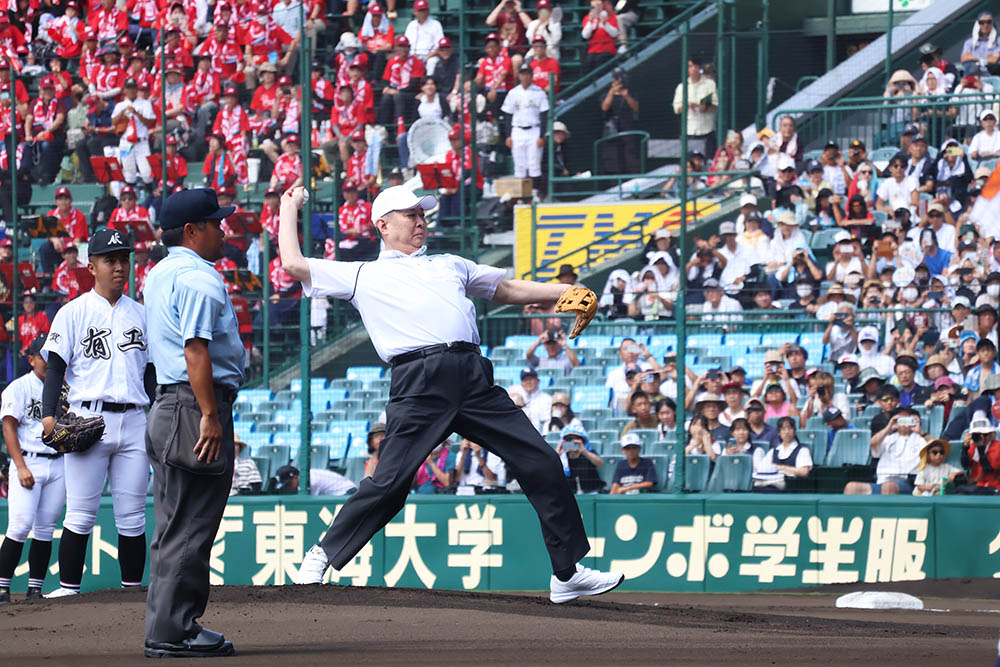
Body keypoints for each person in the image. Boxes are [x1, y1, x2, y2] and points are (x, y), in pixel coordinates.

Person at [282, 185, 622, 601]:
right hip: (418, 380)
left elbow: (507, 290)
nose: (420, 220)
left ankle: (566, 574)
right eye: (410, 214)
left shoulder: (449, 264)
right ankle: (322, 554)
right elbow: (294, 264)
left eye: (422, 214)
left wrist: (563, 293)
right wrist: (289, 208)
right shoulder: (361, 274)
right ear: (383, 225)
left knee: (543, 462)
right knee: (389, 485)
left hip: (473, 376)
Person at [142, 190, 246, 658]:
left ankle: (167, 624)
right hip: (193, 406)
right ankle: (175, 630)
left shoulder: (158, 273)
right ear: (192, 231)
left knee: (173, 526)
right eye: (214, 222)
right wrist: (209, 414)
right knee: (192, 526)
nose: (221, 229)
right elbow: (196, 350)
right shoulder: (197, 277)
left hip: (168, 404)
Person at [35, 229, 150, 601]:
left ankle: (133, 592)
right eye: (109, 260)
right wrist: (50, 417)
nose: (119, 266)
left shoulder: (142, 314)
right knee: (80, 514)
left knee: (132, 517)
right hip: (88, 419)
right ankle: (69, 591)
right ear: (92, 266)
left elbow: (151, 374)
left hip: (135, 420)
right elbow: (55, 369)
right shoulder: (73, 312)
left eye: (123, 259)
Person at [0, 335, 65, 605]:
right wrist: (21, 466)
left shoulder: (62, 388)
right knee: (19, 526)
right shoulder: (19, 387)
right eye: (43, 356)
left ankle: (34, 589)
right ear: (31, 359)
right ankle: (3, 588)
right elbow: (8, 426)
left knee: (45, 529)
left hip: (56, 463)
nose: (48, 361)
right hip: (28, 461)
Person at [846, 406, 927, 495]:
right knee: (851, 487)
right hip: (882, 481)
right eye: (901, 419)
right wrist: (889, 427)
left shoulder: (921, 440)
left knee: (889, 487)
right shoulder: (887, 438)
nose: (904, 422)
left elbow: (938, 449)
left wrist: (920, 432)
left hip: (907, 482)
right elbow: (872, 443)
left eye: (908, 419)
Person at [502, 63, 548, 193]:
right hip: (517, 130)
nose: (525, 76)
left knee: (534, 164)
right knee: (519, 165)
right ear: (519, 75)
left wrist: (541, 135)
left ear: (532, 75)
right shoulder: (513, 93)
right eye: (522, 73)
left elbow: (544, 115)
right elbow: (508, 115)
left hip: (534, 129)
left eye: (528, 73)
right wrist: (508, 135)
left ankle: (535, 194)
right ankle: (520, 197)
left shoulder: (539, 92)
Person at [111, 77, 155, 191]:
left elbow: (150, 122)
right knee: (128, 173)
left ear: (137, 90)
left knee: (147, 173)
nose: (131, 91)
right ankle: (131, 198)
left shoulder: (145, 104)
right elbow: (113, 122)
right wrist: (122, 113)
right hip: (125, 142)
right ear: (125, 90)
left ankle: (150, 197)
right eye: (129, 88)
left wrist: (136, 114)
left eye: (133, 88)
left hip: (141, 141)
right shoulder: (120, 105)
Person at [672, 55, 717, 157]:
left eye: (695, 66)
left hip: (707, 130)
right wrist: (686, 105)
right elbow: (676, 109)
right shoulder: (682, 86)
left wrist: (703, 107)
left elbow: (715, 106)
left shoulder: (710, 84)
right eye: (690, 66)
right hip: (689, 131)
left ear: (700, 68)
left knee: (707, 160)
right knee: (690, 161)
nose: (693, 69)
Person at [752, 417, 812, 492]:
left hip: (792, 489)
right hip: (771, 485)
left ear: (794, 431)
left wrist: (781, 468)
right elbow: (762, 469)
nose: (787, 432)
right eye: (783, 429)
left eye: (790, 428)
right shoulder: (774, 451)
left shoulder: (803, 450)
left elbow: (804, 472)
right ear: (779, 433)